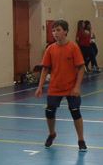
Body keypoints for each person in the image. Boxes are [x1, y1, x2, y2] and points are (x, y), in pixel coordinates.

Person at [35, 20, 87, 151]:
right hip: (55, 87)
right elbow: (45, 69)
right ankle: (52, 134)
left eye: (58, 30)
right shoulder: (50, 49)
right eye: (53, 31)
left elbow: (81, 68)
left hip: (71, 87)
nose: (55, 33)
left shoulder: (73, 47)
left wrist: (77, 87)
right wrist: (40, 86)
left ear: (65, 31)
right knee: (49, 112)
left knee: (75, 112)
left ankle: (81, 140)